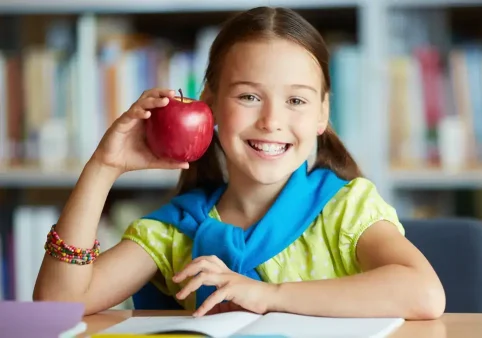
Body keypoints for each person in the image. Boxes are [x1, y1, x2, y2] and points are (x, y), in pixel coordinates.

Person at [33, 6, 445, 320]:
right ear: (208, 104)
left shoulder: (346, 210)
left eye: (296, 101)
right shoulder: (174, 230)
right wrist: (104, 166)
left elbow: (424, 293)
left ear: (322, 114)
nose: (271, 121)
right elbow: (57, 307)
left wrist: (268, 296)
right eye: (249, 97)